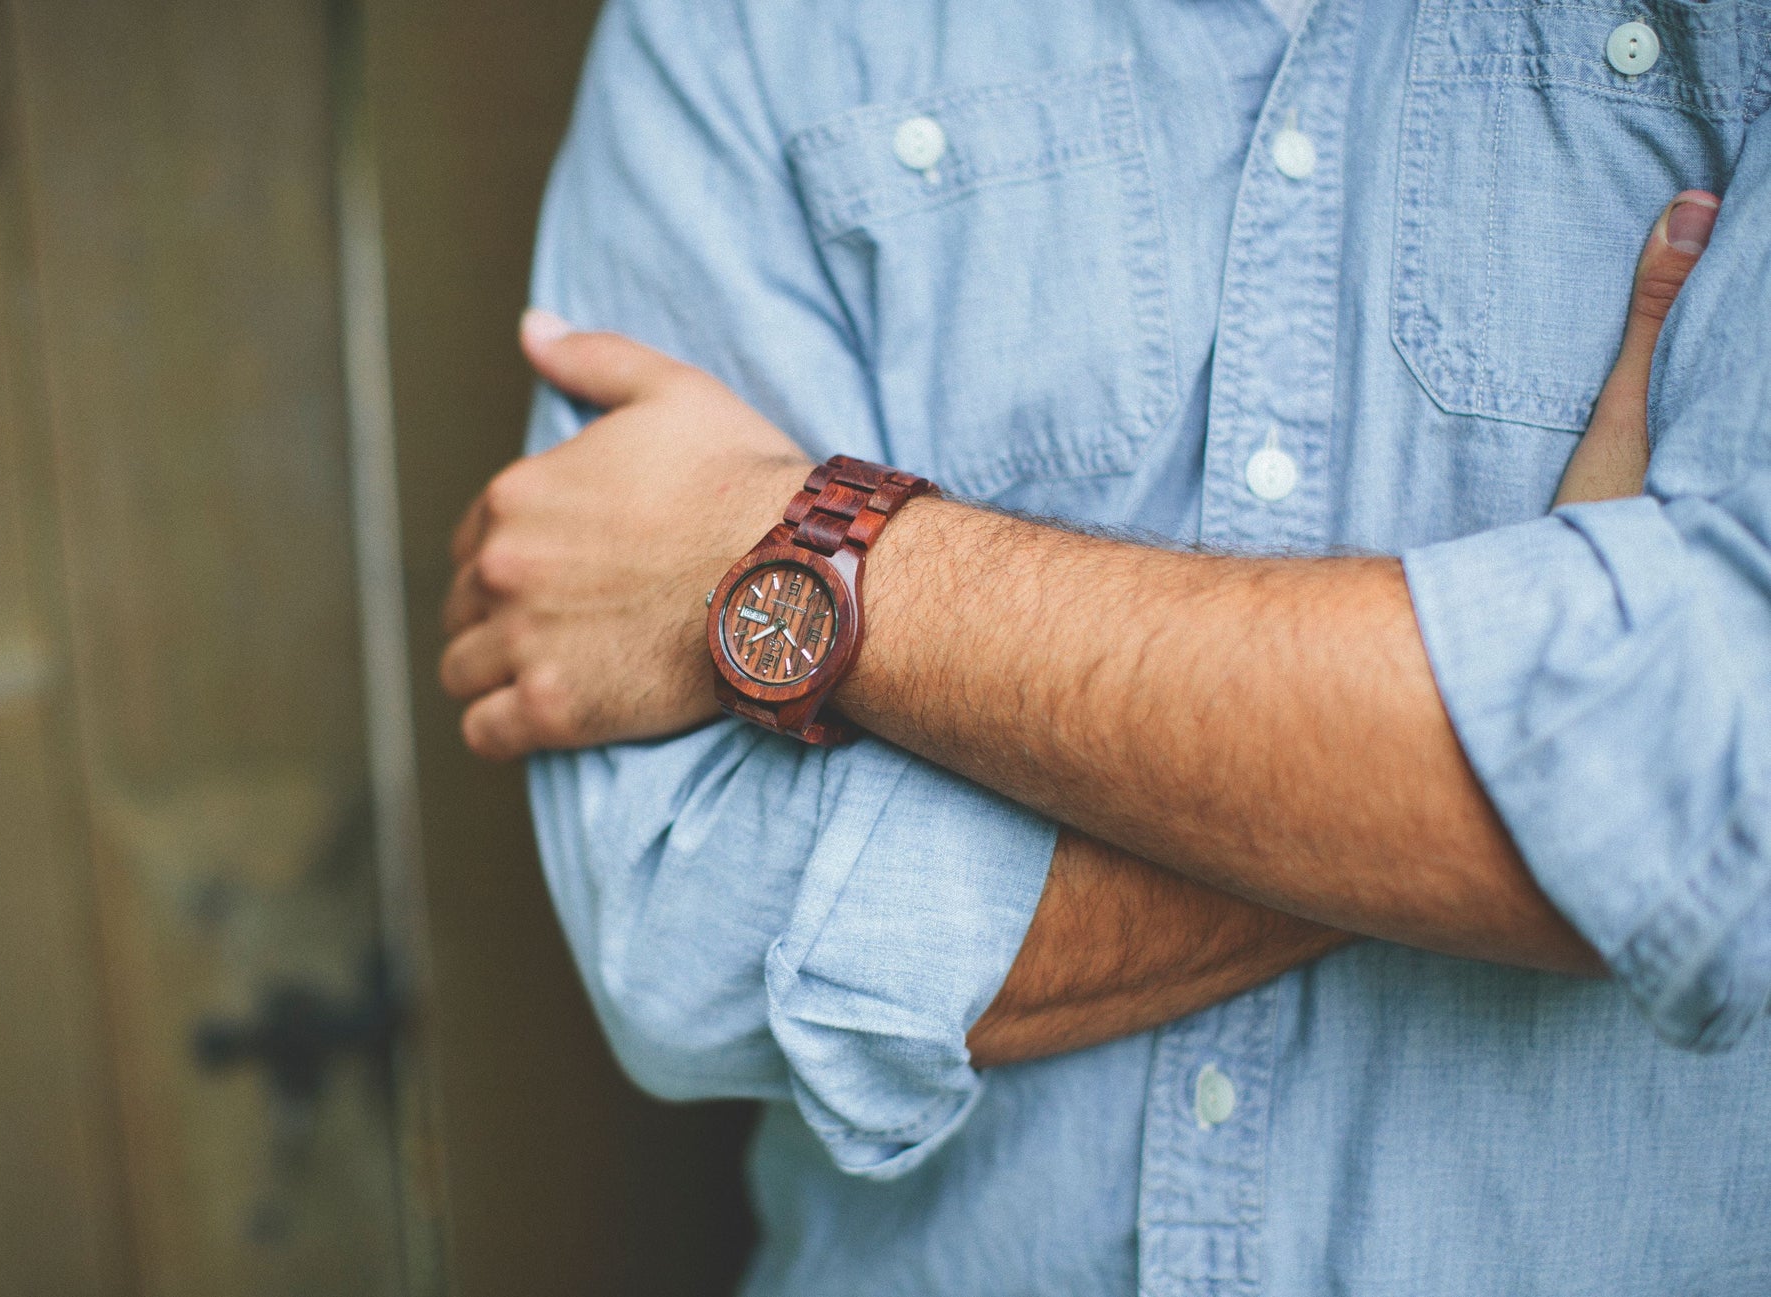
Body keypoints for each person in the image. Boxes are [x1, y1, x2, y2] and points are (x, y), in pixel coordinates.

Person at [442, 1, 1771, 1292]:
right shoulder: (735, 25)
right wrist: (1504, 740)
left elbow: (1712, 782)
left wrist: (804, 547)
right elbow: (675, 921)